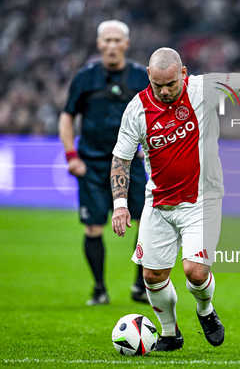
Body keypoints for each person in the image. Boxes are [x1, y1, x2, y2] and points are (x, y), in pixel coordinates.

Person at [110, 47, 240, 351]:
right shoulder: (136, 110)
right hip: (158, 204)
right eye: (159, 85)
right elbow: (121, 159)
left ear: (183, 73)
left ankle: (206, 311)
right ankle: (170, 334)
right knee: (152, 275)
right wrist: (120, 205)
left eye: (171, 83)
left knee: (195, 272)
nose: (166, 91)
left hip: (202, 199)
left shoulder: (203, 89)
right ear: (149, 76)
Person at [58, 20, 149, 306]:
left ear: (126, 44)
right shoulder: (85, 78)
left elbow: (156, 113)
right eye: (106, 41)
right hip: (93, 164)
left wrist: (149, 146)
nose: (111, 46)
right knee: (93, 227)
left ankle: (140, 286)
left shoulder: (139, 77)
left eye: (116, 40)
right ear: (99, 44)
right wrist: (71, 155)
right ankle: (99, 289)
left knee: (146, 224)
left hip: (130, 163)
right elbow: (66, 116)